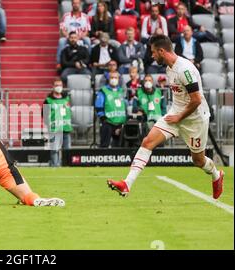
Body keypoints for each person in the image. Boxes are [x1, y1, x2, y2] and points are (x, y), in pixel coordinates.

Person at [108, 35, 224, 199]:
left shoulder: (185, 69)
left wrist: (179, 117)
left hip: (195, 119)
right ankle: (127, 184)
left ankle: (216, 175)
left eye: (154, 52)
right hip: (175, 114)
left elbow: (196, 100)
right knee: (147, 142)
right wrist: (176, 116)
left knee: (198, 160)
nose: (152, 56)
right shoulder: (169, 68)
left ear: (162, 51)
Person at [43, 78, 72, 167]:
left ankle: (66, 166)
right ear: (53, 87)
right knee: (54, 150)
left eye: (60, 85)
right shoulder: (48, 100)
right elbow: (44, 115)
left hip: (66, 128)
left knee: (67, 150)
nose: (58, 87)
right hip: (54, 129)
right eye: (56, 85)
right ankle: (54, 167)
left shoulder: (67, 98)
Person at [95, 71, 127, 148]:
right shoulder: (103, 91)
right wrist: (103, 118)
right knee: (104, 147)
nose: (114, 79)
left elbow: (125, 105)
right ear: (108, 79)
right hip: (108, 123)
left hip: (121, 123)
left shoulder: (121, 91)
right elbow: (98, 106)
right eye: (112, 77)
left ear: (119, 79)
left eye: (115, 78)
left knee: (121, 148)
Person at [57, 0, 91, 66]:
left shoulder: (85, 16)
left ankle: (89, 62)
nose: (76, 5)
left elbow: (87, 31)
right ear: (72, 5)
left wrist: (79, 37)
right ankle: (59, 63)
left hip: (80, 37)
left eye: (77, 3)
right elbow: (62, 29)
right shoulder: (66, 16)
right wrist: (69, 37)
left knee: (88, 40)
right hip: (69, 37)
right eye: (74, 3)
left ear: (80, 4)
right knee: (61, 41)